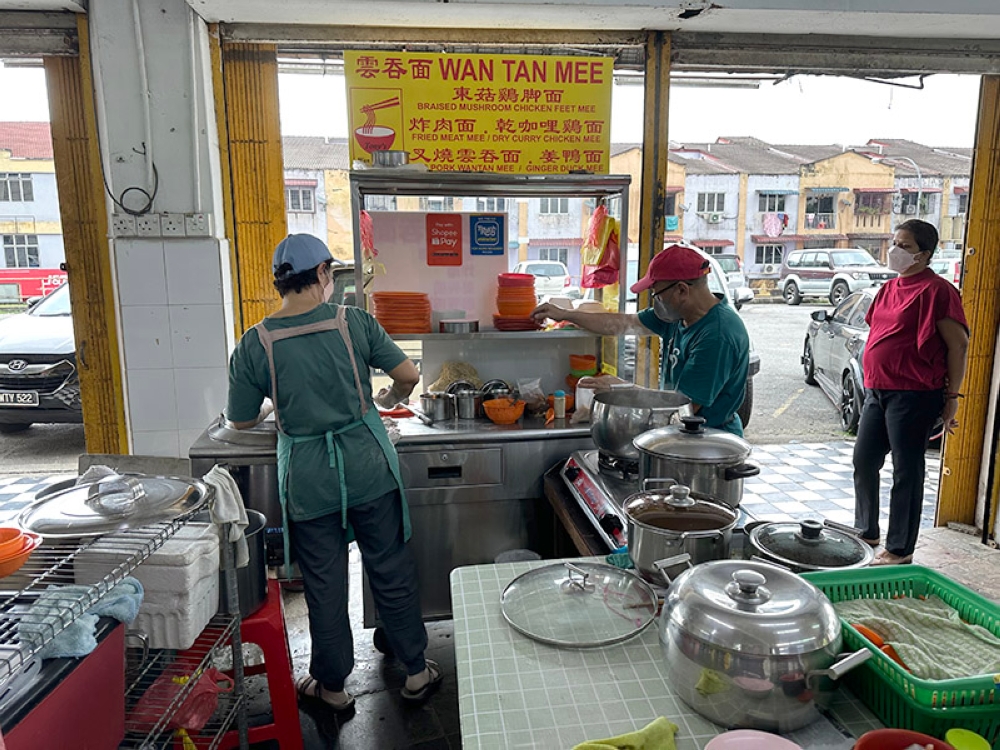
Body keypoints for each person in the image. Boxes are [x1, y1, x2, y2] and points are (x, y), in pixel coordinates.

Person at [225, 234, 442, 712]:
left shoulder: (256, 342)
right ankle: (415, 671)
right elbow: (408, 376)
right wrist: (386, 400)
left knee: (324, 584)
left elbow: (239, 420)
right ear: (323, 273)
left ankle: (333, 688)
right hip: (368, 467)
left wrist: (277, 406)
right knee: (390, 568)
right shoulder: (353, 322)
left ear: (280, 282)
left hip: (309, 478)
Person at [531, 244, 750, 436]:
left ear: (682, 290)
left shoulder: (717, 335)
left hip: (709, 441)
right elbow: (621, 323)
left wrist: (623, 390)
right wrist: (567, 314)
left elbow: (684, 406)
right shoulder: (678, 316)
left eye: (657, 294)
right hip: (679, 431)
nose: (655, 301)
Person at [854, 220, 969, 566]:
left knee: (906, 470)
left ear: (924, 254)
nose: (895, 250)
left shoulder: (938, 291)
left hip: (914, 393)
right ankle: (866, 531)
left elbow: (959, 345)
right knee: (864, 460)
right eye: (894, 242)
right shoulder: (888, 288)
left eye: (904, 246)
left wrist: (952, 398)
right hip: (878, 389)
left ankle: (900, 548)